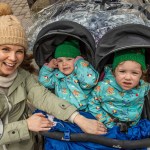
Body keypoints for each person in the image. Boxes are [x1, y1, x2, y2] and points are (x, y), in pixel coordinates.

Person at [0, 4, 107, 150]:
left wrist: (79, 119)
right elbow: (46, 80)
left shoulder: (22, 77)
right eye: (5, 49)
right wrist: (26, 125)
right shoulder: (57, 76)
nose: (13, 58)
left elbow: (44, 97)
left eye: (19, 51)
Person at [88, 48, 150, 129]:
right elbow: (92, 102)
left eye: (134, 73)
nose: (128, 77)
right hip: (108, 126)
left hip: (134, 126)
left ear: (141, 74)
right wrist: (105, 120)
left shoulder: (144, 87)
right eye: (122, 71)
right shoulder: (104, 86)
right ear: (114, 72)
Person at [38, 40, 99, 110]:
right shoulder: (57, 76)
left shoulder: (81, 73)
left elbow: (89, 81)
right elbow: (44, 82)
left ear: (76, 60)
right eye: (60, 61)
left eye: (69, 59)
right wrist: (49, 66)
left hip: (85, 110)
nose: (64, 64)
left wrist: (80, 63)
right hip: (64, 111)